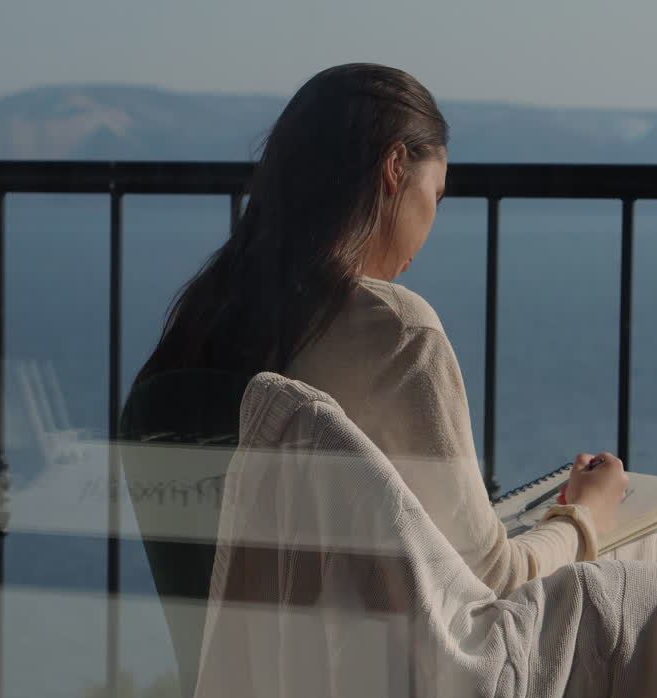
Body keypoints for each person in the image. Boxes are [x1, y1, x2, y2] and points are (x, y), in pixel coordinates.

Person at [132, 62, 630, 599]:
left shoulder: (202, 321)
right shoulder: (396, 331)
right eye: (435, 196)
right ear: (395, 166)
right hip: (374, 680)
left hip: (228, 682)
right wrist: (583, 515)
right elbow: (490, 579)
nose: (431, 225)